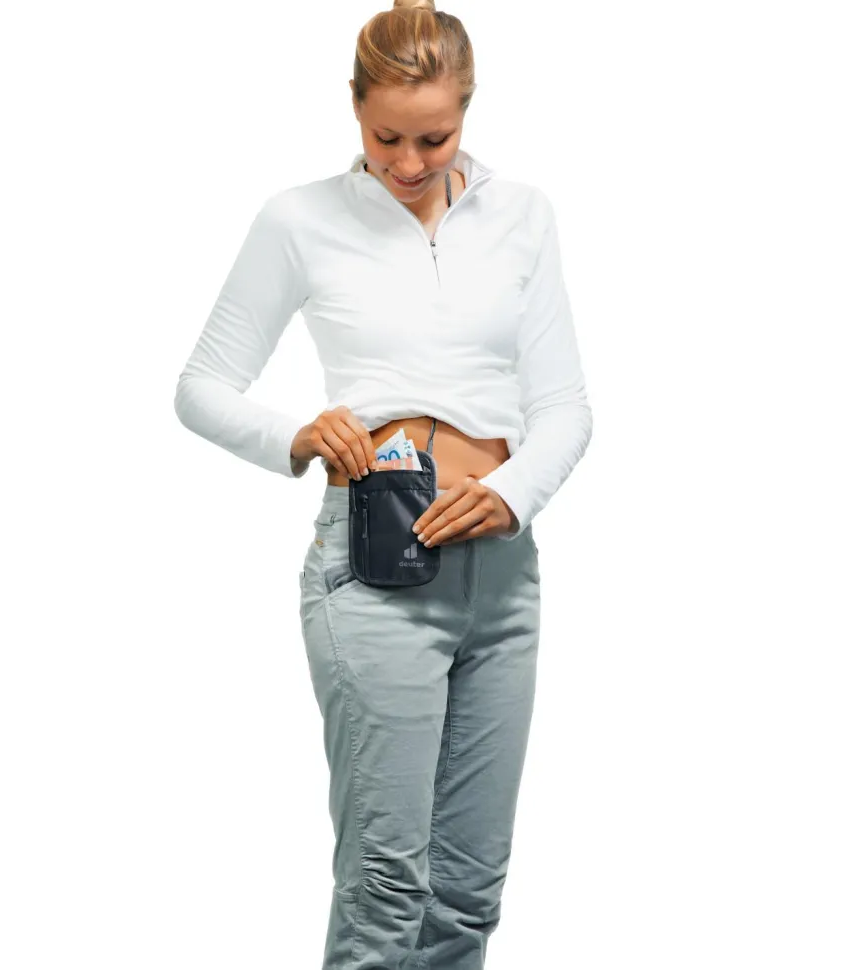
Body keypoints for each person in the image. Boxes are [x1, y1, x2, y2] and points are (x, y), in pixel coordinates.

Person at [174, 0, 593, 965]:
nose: (408, 162)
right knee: (386, 885)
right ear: (355, 109)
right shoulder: (299, 219)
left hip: (504, 576)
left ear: (467, 112)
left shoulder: (524, 215)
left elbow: (565, 403)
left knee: (468, 890)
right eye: (386, 137)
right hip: (375, 565)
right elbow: (200, 387)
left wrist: (514, 492)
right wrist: (295, 434)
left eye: (433, 139)